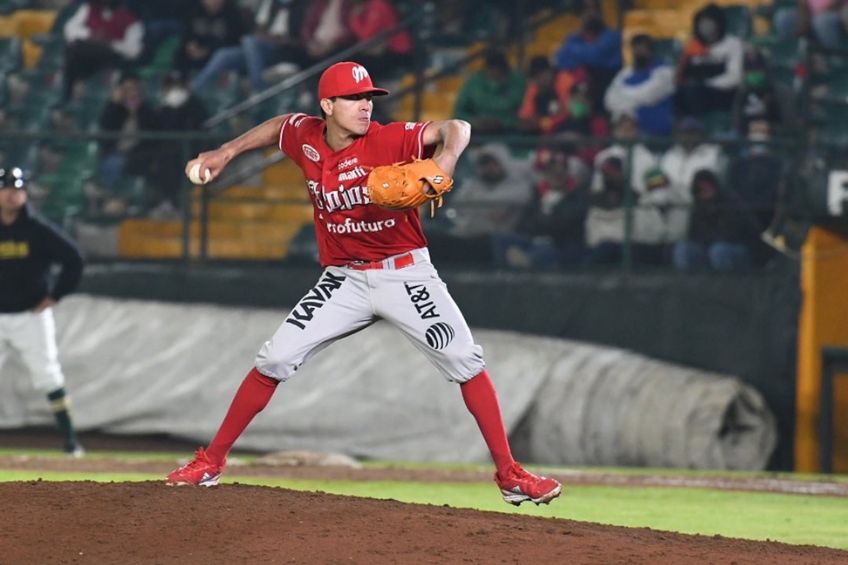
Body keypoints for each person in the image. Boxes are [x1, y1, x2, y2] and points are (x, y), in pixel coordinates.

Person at [165, 61, 562, 506]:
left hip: (405, 272)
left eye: (369, 98)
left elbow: (459, 126)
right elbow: (280, 126)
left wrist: (444, 159)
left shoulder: (390, 139)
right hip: (344, 278)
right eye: (354, 99)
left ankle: (509, 474)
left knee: (464, 359)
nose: (365, 107)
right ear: (327, 105)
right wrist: (225, 152)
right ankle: (211, 462)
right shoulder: (306, 136)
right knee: (274, 357)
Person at [0, 167, 85, 457]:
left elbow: (74, 259)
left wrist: (55, 295)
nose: (13, 194)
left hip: (30, 315)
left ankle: (71, 443)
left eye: (18, 188)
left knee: (48, 375)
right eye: (7, 188)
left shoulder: (36, 229)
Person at [62, 0, 145, 100]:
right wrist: (90, 34)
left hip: (111, 56)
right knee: (74, 48)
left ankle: (76, 86)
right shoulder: (89, 8)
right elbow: (69, 28)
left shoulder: (132, 21)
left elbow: (134, 51)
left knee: (93, 55)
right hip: (85, 49)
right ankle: (72, 87)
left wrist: (110, 42)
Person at [675, 3, 744, 116]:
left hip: (724, 93)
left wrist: (707, 84)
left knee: (693, 93)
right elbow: (682, 76)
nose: (704, 26)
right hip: (695, 93)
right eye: (701, 22)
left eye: (708, 21)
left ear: (718, 23)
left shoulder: (733, 44)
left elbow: (735, 77)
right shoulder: (693, 46)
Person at [604, 34, 675, 137]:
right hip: (627, 131)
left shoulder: (664, 71)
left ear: (650, 49)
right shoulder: (625, 73)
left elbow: (647, 96)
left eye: (642, 47)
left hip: (656, 132)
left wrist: (623, 95)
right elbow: (609, 100)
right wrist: (633, 99)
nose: (638, 51)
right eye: (635, 48)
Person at [453, 50, 526, 134]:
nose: (494, 76)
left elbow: (526, 116)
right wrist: (473, 121)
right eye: (490, 71)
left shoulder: (518, 82)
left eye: (498, 74)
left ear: (505, 71)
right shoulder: (474, 81)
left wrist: (503, 122)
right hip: (476, 133)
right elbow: (458, 112)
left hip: (511, 134)